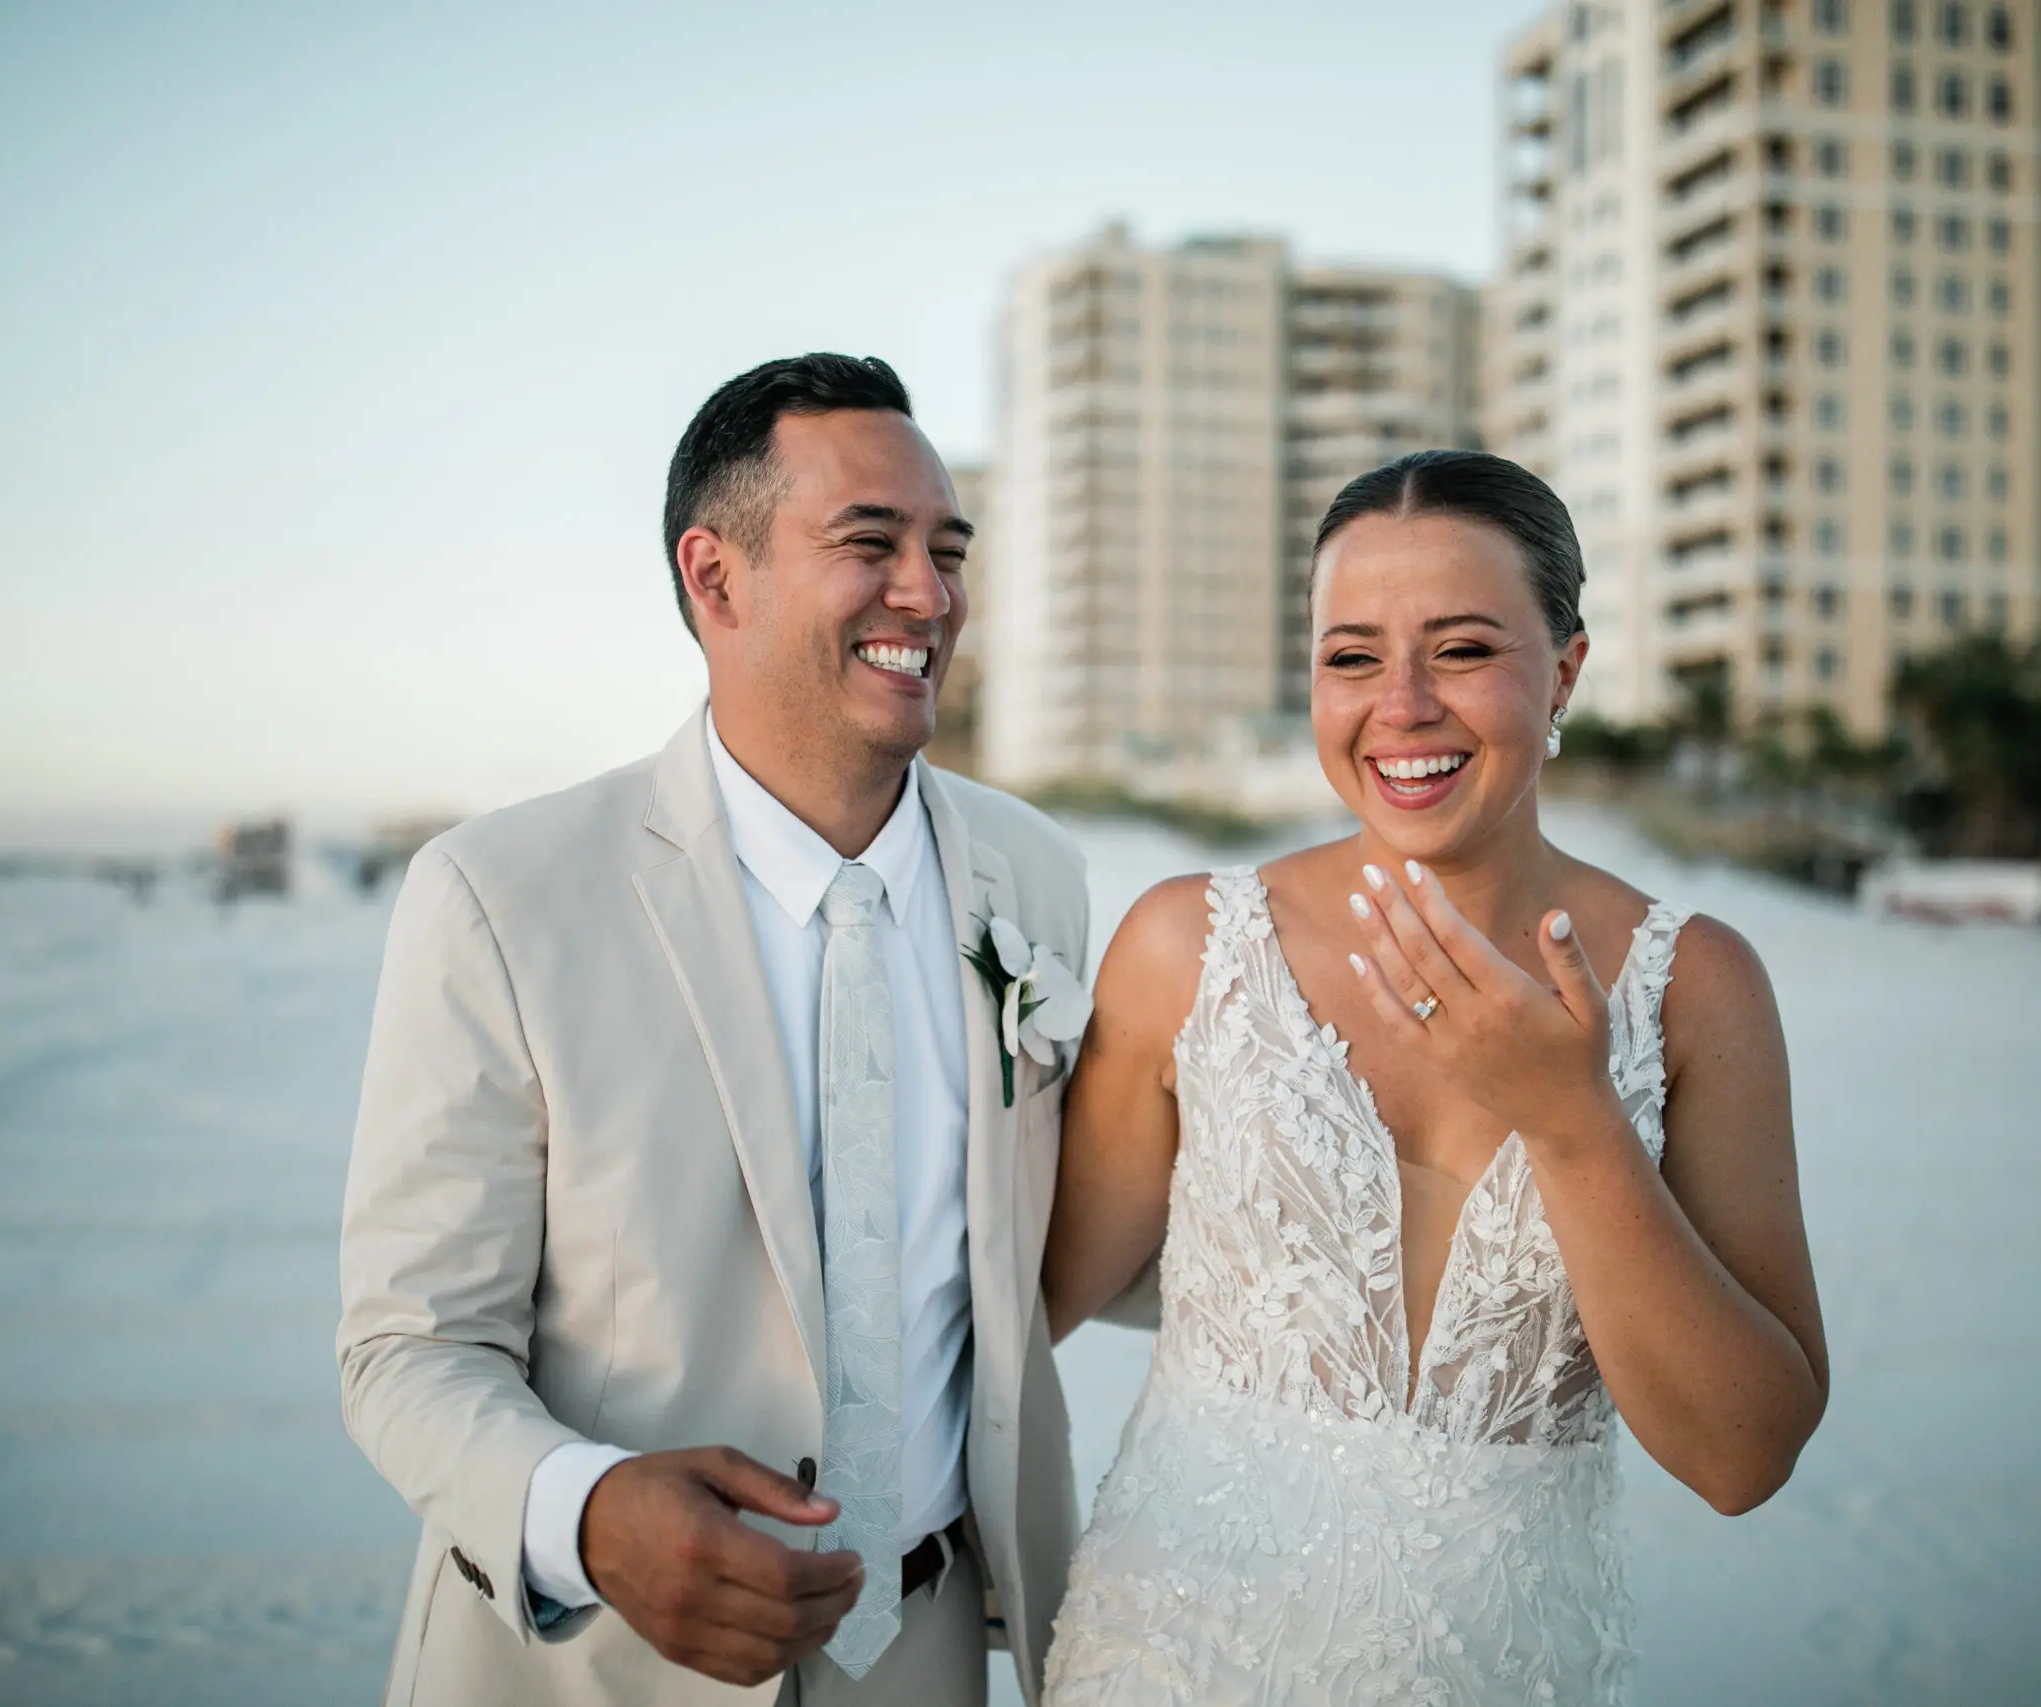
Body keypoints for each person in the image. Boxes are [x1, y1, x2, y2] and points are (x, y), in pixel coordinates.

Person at [338, 354, 1092, 1706]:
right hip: (591, 1669)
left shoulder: (1034, 876)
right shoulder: (501, 894)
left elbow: (1089, 1234)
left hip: (928, 1651)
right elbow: (408, 1344)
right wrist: (589, 1511)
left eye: (947, 550)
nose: (928, 594)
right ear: (717, 575)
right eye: (871, 543)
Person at [1036, 450, 1830, 1705]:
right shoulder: (1188, 950)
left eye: (1461, 650)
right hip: (1169, 1663)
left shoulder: (1694, 986)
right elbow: (1021, 1302)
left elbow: (1743, 1457)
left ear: (1564, 670)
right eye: (1351, 657)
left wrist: (1572, 1122)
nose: (1398, 706)